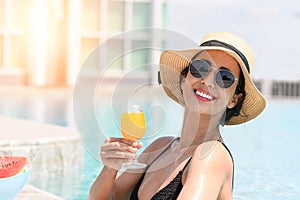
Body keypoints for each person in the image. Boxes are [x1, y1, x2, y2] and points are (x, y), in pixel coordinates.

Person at [88, 32, 266, 200]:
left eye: (224, 77)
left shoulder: (211, 156)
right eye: (200, 68)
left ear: (234, 100)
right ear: (183, 79)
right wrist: (110, 168)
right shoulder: (160, 148)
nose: (207, 80)